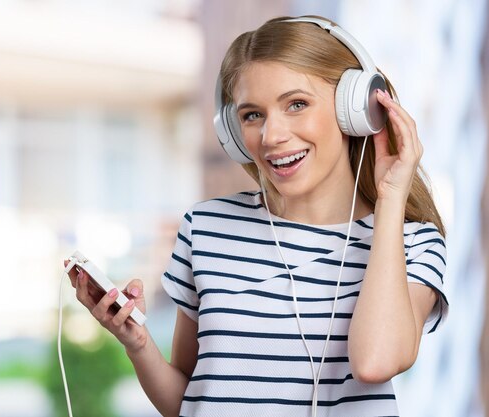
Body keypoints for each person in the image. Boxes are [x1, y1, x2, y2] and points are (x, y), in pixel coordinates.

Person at [66, 15, 448, 417]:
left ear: (357, 109)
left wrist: (390, 200)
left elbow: (376, 362)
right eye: (252, 115)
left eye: (296, 104)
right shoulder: (206, 229)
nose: (271, 136)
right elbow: (189, 403)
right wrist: (138, 343)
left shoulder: (411, 242)